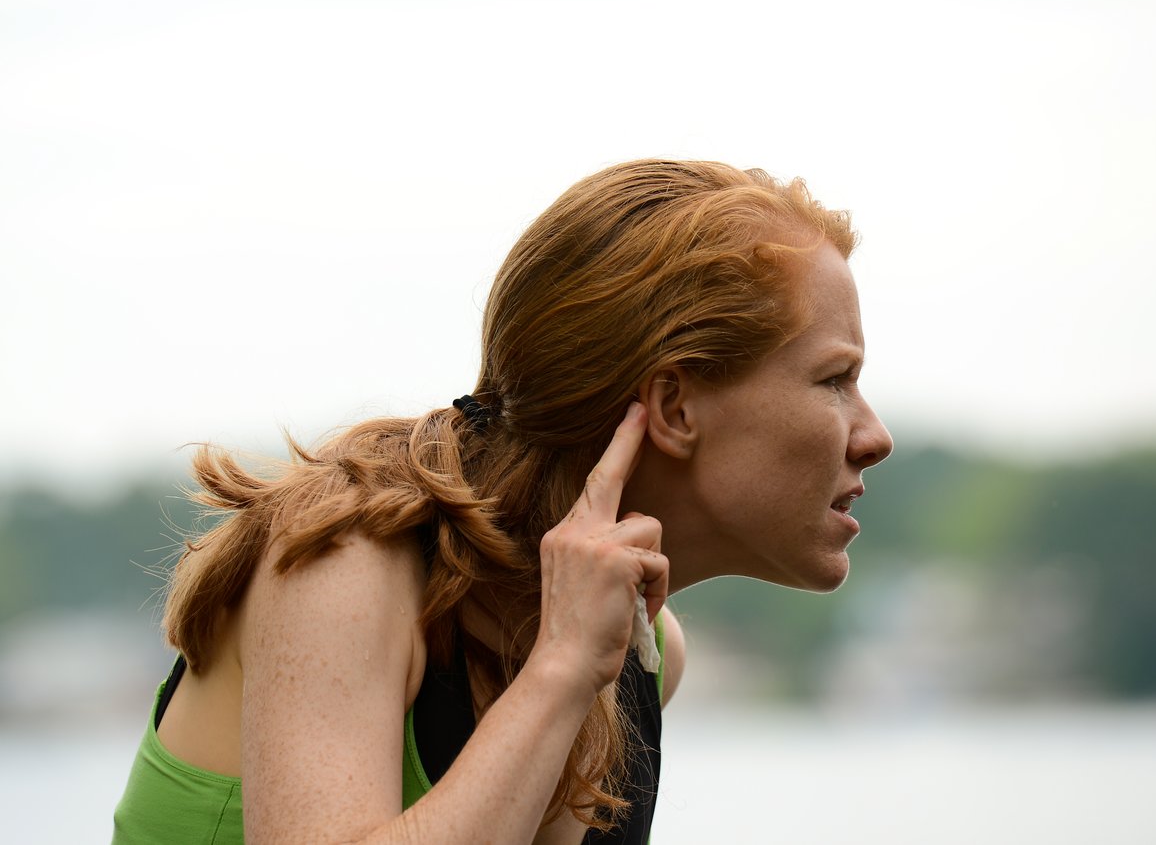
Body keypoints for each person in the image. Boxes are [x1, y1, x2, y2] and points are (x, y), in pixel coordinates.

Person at [112, 158, 893, 844]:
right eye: (834, 380)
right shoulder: (345, 568)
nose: (874, 435)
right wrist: (561, 671)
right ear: (675, 406)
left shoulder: (645, 656)